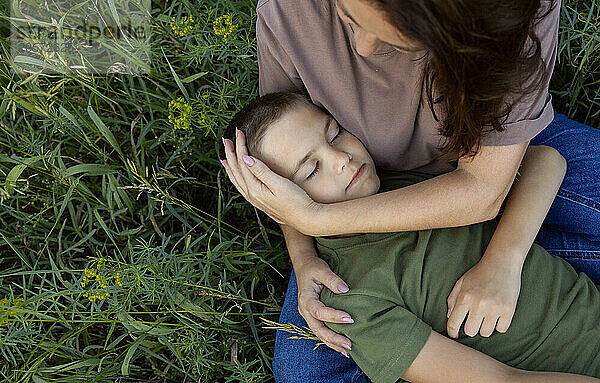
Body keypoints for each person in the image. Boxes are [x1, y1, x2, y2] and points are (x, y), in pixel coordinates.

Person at [221, 0, 600, 381]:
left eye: (336, 132)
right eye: (350, 17)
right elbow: (276, 147)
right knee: (305, 369)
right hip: (398, 215)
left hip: (494, 148)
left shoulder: (508, 14)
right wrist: (303, 255)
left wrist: (504, 259)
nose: (364, 47)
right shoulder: (354, 289)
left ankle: (536, 243)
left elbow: (526, 169)